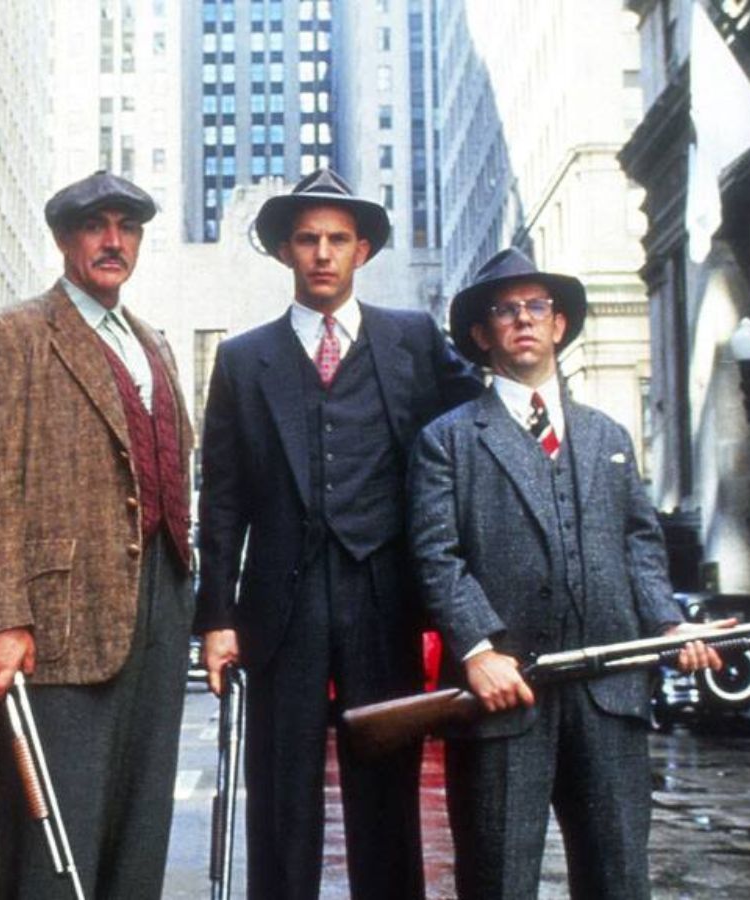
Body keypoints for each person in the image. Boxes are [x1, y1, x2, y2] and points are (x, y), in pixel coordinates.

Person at [195, 169, 483, 899]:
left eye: (337, 240)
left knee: (386, 785)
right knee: (281, 792)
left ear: (362, 251)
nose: (322, 253)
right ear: (286, 252)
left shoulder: (413, 340)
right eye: (307, 239)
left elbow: (479, 427)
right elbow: (223, 501)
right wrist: (217, 619)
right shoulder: (241, 360)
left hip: (383, 599)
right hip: (279, 607)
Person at [408, 248, 724, 899]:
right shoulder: (449, 440)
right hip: (505, 693)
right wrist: (477, 650)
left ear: (558, 324)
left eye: (536, 307)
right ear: (481, 333)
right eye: (505, 309)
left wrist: (669, 624)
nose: (523, 319)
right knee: (497, 880)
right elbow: (436, 555)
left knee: (619, 880)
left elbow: (641, 545)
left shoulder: (608, 434)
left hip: (611, 696)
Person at [0, 171, 195, 899]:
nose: (113, 241)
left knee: (140, 822)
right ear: (65, 239)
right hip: (56, 621)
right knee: (53, 833)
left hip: (158, 604)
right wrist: (1, 618)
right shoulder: (14, 336)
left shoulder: (154, 343)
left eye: (127, 228)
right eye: (96, 226)